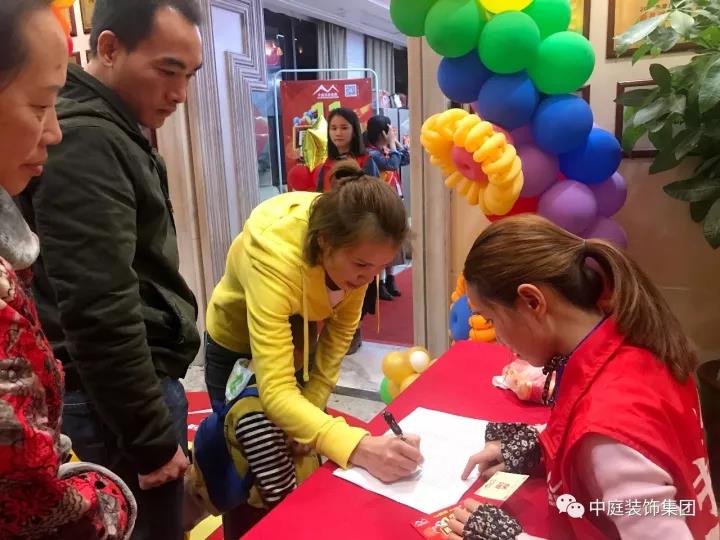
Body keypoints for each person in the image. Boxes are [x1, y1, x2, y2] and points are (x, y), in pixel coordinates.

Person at [17, 1, 204, 538]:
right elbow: (99, 306)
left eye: (189, 76)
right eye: (167, 70)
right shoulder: (89, 140)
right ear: (109, 48)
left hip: (116, 394)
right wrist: (150, 437)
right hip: (110, 405)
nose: (179, 93)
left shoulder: (110, 128)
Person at [446, 215, 718, 540]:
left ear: (533, 301)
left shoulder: (607, 432)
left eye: (491, 319)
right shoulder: (635, 341)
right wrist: (540, 449)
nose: (498, 338)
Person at [192, 161, 422, 538]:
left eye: (378, 268)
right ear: (324, 241)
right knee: (246, 463)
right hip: (235, 346)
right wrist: (358, 446)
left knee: (299, 454)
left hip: (298, 338)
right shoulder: (274, 254)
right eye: (361, 265)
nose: (367, 279)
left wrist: (310, 413)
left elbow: (335, 344)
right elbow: (276, 391)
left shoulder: (356, 255)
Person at [0, 1, 135, 537]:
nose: (53, 131)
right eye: (39, 105)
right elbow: (30, 497)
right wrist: (111, 499)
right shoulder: (90, 146)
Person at [365, 114, 410, 300]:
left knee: (394, 242)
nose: (392, 132)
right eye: (390, 130)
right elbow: (392, 164)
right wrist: (391, 144)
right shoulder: (371, 153)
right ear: (382, 133)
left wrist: (396, 143)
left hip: (394, 199)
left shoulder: (385, 149)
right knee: (382, 243)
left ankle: (391, 279)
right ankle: (381, 282)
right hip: (381, 203)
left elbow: (406, 159)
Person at [314, 107, 379, 193]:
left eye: (344, 128)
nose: (338, 133)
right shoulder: (328, 162)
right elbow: (319, 194)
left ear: (354, 131)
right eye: (333, 128)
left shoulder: (365, 161)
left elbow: (374, 195)